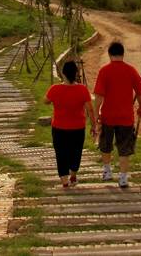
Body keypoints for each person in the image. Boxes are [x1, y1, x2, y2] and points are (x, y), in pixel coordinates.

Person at [94, 40, 141, 189]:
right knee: (124, 147)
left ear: (109, 54)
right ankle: (123, 178)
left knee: (105, 144)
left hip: (108, 116)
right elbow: (140, 92)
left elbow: (98, 96)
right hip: (126, 117)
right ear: (123, 54)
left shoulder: (104, 71)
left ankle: (107, 171)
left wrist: (97, 113)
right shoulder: (131, 70)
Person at [45, 60, 96, 188]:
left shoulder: (55, 89)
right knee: (76, 152)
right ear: (76, 73)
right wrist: (94, 126)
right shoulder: (82, 89)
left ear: (63, 73)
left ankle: (64, 181)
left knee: (61, 153)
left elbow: (46, 101)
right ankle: (73, 175)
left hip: (59, 128)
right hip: (78, 128)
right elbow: (90, 109)